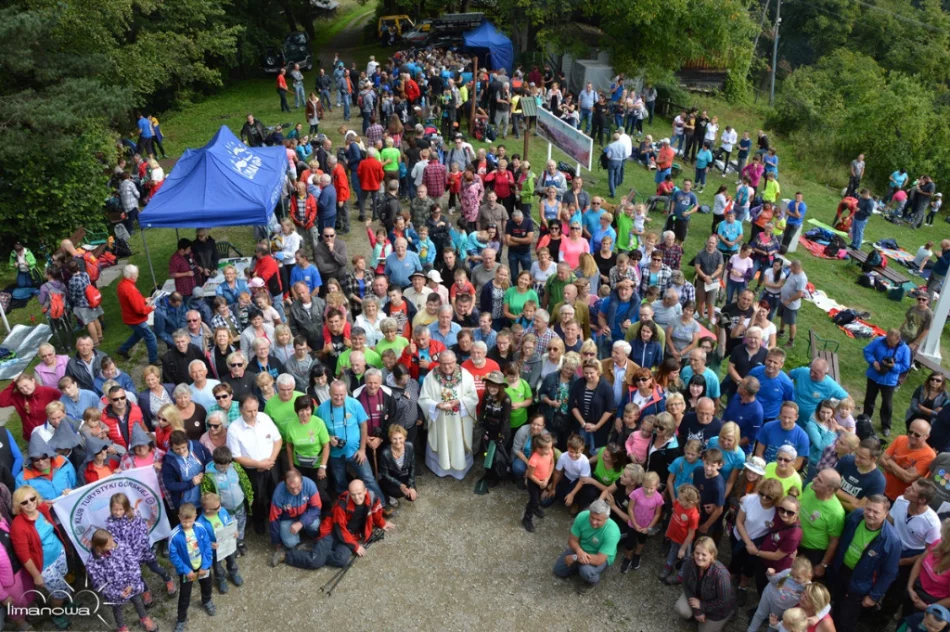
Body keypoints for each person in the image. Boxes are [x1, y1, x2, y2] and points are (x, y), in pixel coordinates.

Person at [270, 479, 395, 571]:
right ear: (349, 493)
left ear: (365, 491)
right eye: (353, 494)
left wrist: (382, 523)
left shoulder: (373, 498)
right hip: (332, 532)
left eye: (359, 493)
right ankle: (285, 556)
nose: (357, 498)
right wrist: (355, 547)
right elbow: (340, 530)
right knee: (316, 562)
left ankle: (315, 550)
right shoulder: (341, 505)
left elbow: (376, 513)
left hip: (349, 535)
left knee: (341, 560)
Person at [831, 495, 901, 632]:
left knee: (847, 619)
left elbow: (890, 573)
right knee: (835, 605)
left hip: (861, 582)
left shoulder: (892, 541)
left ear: (886, 514)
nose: (870, 514)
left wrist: (874, 596)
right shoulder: (855, 517)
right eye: (868, 509)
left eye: (876, 512)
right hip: (841, 571)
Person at [10, 487, 71, 629]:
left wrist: (66, 494)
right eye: (24, 502)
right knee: (60, 592)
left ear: (37, 498)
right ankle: (57, 614)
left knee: (61, 581)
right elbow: (24, 556)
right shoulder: (18, 527)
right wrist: (36, 576)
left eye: (32, 499)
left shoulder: (42, 509)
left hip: (59, 553)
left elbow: (57, 501)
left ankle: (60, 603)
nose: (30, 503)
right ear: (19, 506)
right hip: (44, 565)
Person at [552, 499, 621, 592]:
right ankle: (580, 565)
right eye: (592, 517)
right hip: (582, 548)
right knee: (558, 571)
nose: (594, 522)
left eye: (598, 520)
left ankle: (592, 582)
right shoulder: (582, 516)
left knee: (586, 571)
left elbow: (599, 560)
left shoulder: (612, 532)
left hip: (599, 556)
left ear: (606, 518)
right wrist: (579, 552)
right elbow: (572, 540)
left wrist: (575, 557)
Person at [168, 502, 216, 632]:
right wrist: (186, 570)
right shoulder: (175, 535)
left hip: (202, 567)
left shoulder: (200, 528)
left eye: (190, 521)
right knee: (184, 595)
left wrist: (205, 565)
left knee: (207, 584)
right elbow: (174, 556)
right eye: (184, 522)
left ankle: (206, 601)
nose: (187, 524)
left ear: (195, 516)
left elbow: (207, 547)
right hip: (187, 571)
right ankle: (181, 619)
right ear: (179, 517)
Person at [675, 536, 736, 631]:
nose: (699, 557)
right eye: (697, 553)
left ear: (712, 555)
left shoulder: (721, 575)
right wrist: (697, 611)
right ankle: (697, 616)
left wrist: (702, 605)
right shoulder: (689, 563)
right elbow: (685, 585)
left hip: (718, 609)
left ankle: (730, 615)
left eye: (704, 554)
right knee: (681, 609)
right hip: (697, 598)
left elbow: (724, 602)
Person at [864, 329, 912, 437]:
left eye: (891, 342)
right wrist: (873, 362)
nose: (888, 343)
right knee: (869, 399)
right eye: (887, 340)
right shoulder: (879, 341)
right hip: (873, 376)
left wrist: (893, 366)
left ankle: (886, 426)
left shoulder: (905, 349)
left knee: (887, 404)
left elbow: (905, 366)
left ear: (898, 339)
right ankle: (866, 419)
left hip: (889, 381)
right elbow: (867, 351)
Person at [881, 420, 936, 501]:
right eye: (910, 432)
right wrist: (904, 472)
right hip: (883, 486)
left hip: (901, 498)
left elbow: (908, 479)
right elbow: (881, 460)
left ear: (926, 436)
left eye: (917, 435)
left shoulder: (929, 455)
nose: (912, 436)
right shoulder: (900, 439)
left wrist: (890, 461)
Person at [836, 438, 887, 511]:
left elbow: (858, 508)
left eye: (862, 458)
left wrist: (835, 496)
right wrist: (852, 499)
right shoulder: (847, 460)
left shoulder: (878, 481)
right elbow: (829, 484)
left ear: (874, 459)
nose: (856, 459)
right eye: (856, 454)